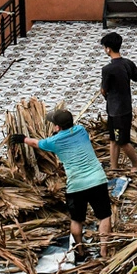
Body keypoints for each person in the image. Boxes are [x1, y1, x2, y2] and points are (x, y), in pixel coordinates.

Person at [12, 108, 111, 262]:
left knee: (77, 220)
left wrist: (23, 138)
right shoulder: (82, 130)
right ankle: (104, 251)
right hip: (98, 180)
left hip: (76, 186)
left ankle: (80, 250)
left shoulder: (54, 142)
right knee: (104, 216)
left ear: (57, 127)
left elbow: (36, 143)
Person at [101, 31, 137, 176]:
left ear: (108, 48)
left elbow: (103, 91)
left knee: (122, 141)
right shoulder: (127, 63)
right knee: (114, 139)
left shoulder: (107, 69)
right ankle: (113, 167)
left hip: (116, 111)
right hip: (124, 107)